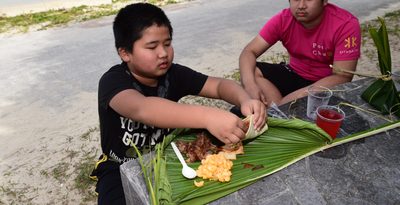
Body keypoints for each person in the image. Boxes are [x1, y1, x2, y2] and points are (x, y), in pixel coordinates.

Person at [90, 3, 267, 205]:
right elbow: (143, 108)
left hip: (171, 157)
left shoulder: (173, 74)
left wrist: (244, 99)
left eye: (167, 43)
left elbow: (218, 85)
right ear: (125, 53)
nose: (163, 53)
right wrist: (208, 116)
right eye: (152, 46)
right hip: (120, 165)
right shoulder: (113, 81)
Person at [239, 0, 361, 106]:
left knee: (285, 105)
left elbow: (343, 76)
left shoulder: (346, 24)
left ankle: (277, 110)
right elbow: (249, 51)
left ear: (324, 1)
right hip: (294, 73)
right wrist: (249, 84)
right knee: (252, 70)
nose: (301, 5)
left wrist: (290, 100)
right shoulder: (283, 20)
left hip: (325, 82)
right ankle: (277, 112)